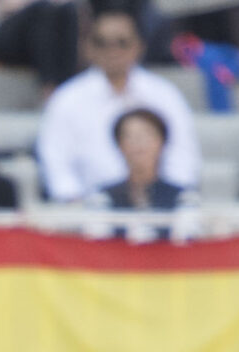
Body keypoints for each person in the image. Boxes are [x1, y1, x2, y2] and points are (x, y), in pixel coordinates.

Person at [33, 2, 196, 203]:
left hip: (158, 211)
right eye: (102, 42)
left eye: (122, 42)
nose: (113, 50)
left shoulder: (164, 95)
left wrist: (169, 200)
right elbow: (55, 163)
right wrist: (75, 205)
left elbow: (183, 158)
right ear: (88, 47)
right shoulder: (67, 99)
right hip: (89, 216)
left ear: (139, 46)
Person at [97, 103, 182, 210]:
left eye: (146, 135)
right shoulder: (104, 198)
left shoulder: (181, 198)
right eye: (130, 136)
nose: (139, 143)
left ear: (161, 141)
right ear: (119, 145)